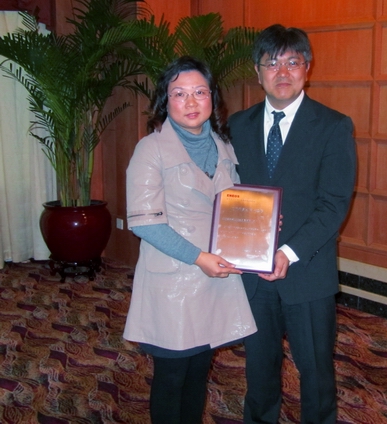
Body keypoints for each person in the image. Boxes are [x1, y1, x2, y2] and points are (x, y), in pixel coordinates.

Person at [229, 24, 357, 424]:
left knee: (315, 372)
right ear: (257, 71)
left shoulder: (333, 126)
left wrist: (287, 251)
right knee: (258, 369)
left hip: (307, 272)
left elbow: (334, 204)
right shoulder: (237, 125)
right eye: (271, 63)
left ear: (307, 68)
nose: (282, 72)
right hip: (252, 273)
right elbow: (227, 192)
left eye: (292, 62)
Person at [123, 56, 257, 424]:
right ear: (165, 101)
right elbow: (146, 224)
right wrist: (199, 258)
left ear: (213, 97)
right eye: (179, 94)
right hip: (174, 278)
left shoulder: (223, 146)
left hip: (214, 277)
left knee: (199, 369)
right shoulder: (150, 149)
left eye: (200, 92)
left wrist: (261, 226)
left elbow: (234, 206)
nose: (191, 101)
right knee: (172, 375)